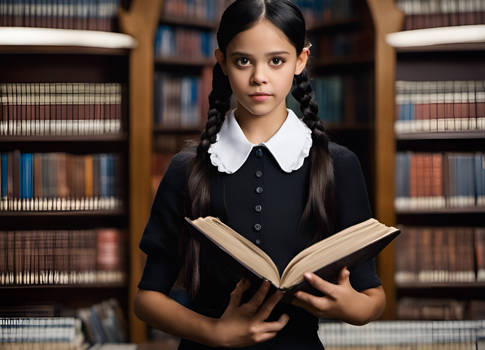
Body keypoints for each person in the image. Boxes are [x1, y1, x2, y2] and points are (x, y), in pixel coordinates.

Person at [134, 0, 386, 349]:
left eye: (276, 61)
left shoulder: (337, 165)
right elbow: (147, 300)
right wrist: (215, 332)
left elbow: (373, 296)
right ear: (222, 62)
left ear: (301, 60)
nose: (259, 77)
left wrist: (351, 307)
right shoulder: (186, 168)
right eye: (243, 61)